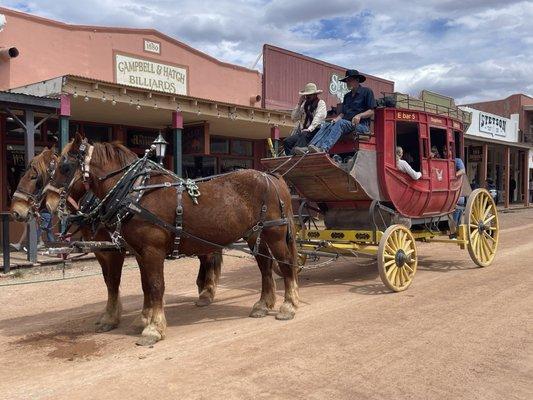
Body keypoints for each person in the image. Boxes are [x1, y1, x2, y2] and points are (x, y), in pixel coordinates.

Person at [299, 69, 376, 153]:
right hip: (347, 123)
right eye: (346, 81)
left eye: (349, 80)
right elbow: (343, 113)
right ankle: (310, 147)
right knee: (326, 125)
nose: (347, 83)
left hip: (361, 126)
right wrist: (335, 120)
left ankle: (324, 148)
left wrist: (359, 115)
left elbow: (371, 111)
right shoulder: (347, 96)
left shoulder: (367, 92)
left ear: (357, 80)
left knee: (341, 123)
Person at [285, 82, 327, 155]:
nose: (307, 97)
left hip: (315, 131)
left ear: (315, 94)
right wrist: (299, 104)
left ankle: (292, 156)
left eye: (310, 95)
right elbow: (294, 118)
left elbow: (318, 117)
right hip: (304, 132)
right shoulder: (304, 105)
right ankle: (290, 157)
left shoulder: (321, 103)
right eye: (306, 95)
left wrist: (309, 129)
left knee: (302, 137)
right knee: (287, 141)